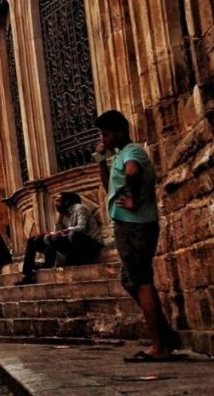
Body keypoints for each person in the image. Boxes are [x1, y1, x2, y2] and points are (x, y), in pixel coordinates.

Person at [95, 110, 179, 362]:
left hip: (134, 225)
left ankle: (159, 346)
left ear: (119, 132)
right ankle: (165, 336)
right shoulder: (121, 154)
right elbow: (109, 184)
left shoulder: (132, 151)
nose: (104, 139)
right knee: (130, 281)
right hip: (131, 225)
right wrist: (101, 159)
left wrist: (132, 198)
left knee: (140, 281)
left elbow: (132, 172)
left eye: (106, 134)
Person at [16, 192, 103, 285]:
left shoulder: (79, 208)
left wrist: (64, 231)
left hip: (91, 244)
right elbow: (57, 232)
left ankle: (77, 259)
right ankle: (27, 274)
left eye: (58, 201)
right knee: (37, 240)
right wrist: (58, 222)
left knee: (73, 235)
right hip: (74, 243)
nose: (55, 204)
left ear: (67, 201)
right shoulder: (64, 214)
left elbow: (81, 228)